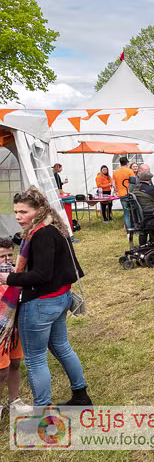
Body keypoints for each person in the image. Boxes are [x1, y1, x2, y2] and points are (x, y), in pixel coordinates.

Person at [1, 188, 91, 406]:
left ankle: (42, 413)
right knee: (62, 347)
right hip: (60, 298)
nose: (18, 216)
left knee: (35, 359)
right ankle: (81, 396)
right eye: (16, 211)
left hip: (41, 304)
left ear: (39, 209)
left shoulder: (40, 234)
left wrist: (8, 278)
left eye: (23, 212)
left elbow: (41, 275)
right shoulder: (53, 227)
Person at [0, 238, 34, 415]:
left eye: (9, 255)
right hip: (1, 331)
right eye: (2, 256)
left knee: (15, 363)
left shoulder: (15, 274)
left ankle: (13, 400)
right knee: (2, 370)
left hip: (14, 329)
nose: (6, 260)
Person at [113, 156, 135, 229]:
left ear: (120, 163)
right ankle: (134, 227)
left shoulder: (115, 172)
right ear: (127, 163)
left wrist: (117, 190)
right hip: (129, 194)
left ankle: (128, 230)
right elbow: (133, 183)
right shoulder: (130, 171)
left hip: (121, 194)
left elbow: (113, 184)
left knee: (126, 212)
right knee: (132, 211)